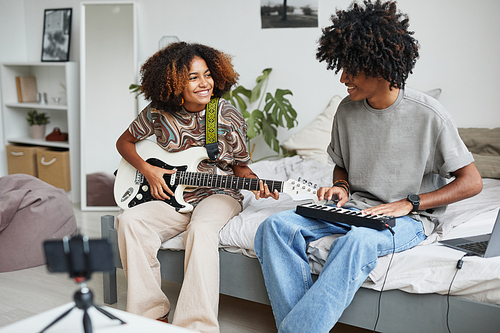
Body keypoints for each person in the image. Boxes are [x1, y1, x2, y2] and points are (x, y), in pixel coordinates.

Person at [254, 1, 483, 332]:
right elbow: (341, 166)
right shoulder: (347, 111)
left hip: (411, 218)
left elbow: (472, 182)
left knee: (356, 242)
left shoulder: (429, 115)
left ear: (380, 66)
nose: (343, 78)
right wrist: (341, 187)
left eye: (351, 69)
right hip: (356, 208)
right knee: (273, 228)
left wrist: (409, 203)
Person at [116, 42, 278, 333]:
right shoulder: (157, 113)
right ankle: (150, 316)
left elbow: (240, 167)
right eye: (193, 77)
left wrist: (257, 185)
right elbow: (124, 142)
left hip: (218, 194)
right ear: (174, 82)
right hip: (173, 199)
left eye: (207, 75)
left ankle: (196, 326)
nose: (205, 83)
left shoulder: (225, 114)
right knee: (129, 221)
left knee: (202, 230)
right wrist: (148, 170)